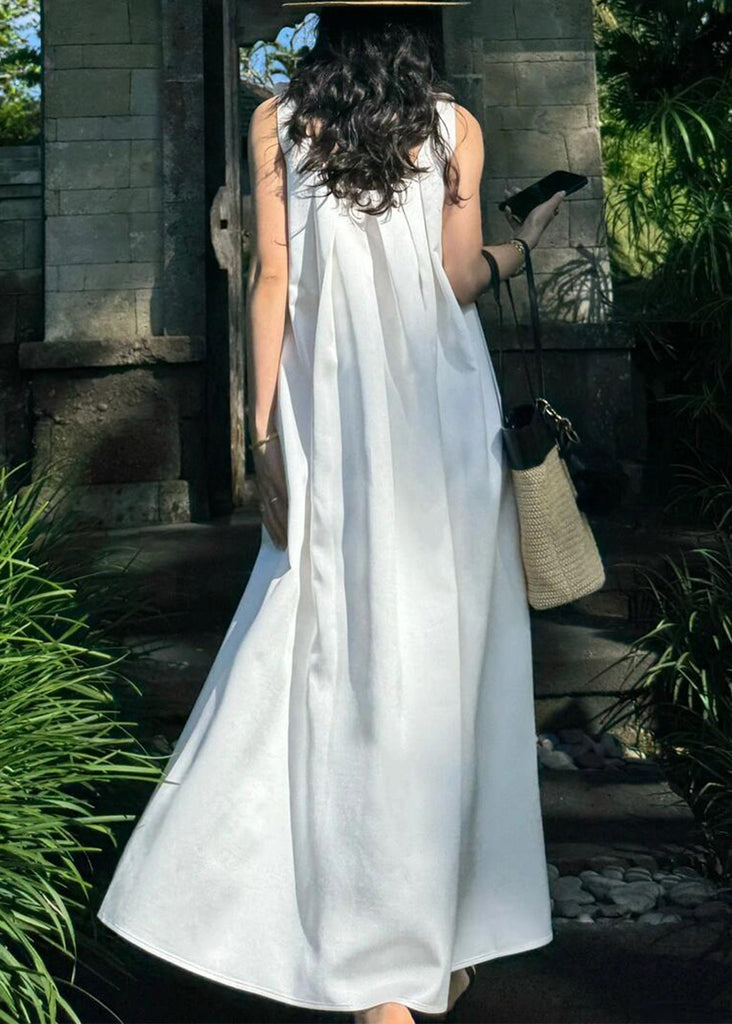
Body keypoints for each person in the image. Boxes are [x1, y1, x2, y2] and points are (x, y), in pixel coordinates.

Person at [96, 3, 566, 1022]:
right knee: (442, 674)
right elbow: (455, 279)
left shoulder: (277, 122)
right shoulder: (455, 127)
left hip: (333, 425)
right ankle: (410, 955)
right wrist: (520, 249)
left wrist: (264, 436)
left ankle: (383, 948)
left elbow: (272, 282)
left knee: (329, 663)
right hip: (443, 426)